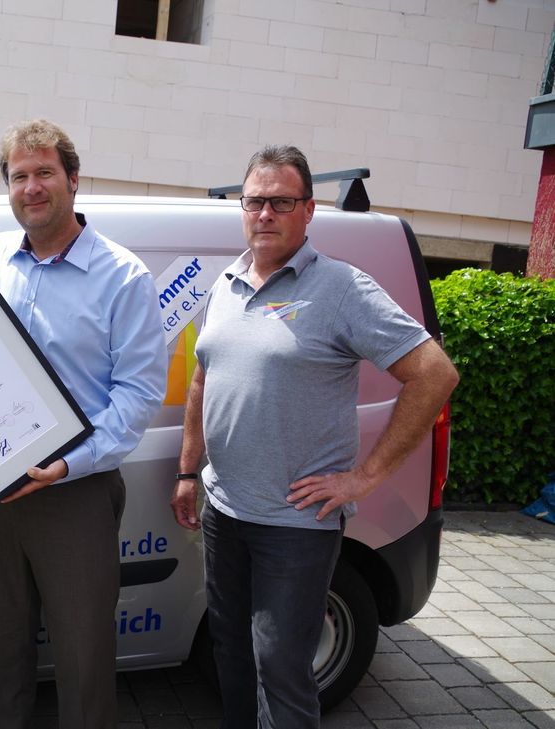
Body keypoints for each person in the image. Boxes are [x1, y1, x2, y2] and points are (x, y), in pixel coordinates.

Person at [170, 144, 459, 729]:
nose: (266, 213)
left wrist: (364, 477)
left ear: (308, 211)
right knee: (229, 652)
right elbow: (203, 380)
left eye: (281, 201)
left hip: (295, 527)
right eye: (255, 201)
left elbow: (434, 373)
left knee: (281, 669)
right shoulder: (224, 283)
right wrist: (186, 472)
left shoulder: (341, 288)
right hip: (226, 512)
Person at [0, 118, 167, 728]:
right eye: (19, 176)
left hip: (75, 491)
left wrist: (67, 464)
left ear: (73, 179)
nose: (32, 187)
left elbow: (138, 395)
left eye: (45, 172)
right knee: (1, 647)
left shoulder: (123, 277)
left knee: (83, 654)